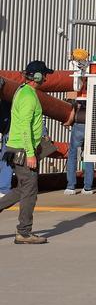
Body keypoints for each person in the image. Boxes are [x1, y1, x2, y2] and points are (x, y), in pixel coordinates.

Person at [0, 60, 52, 244]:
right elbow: (24, 127)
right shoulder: (29, 96)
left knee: (22, 188)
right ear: (37, 76)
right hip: (23, 150)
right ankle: (24, 232)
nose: (46, 77)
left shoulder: (21, 91)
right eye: (44, 74)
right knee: (30, 191)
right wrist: (30, 153)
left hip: (16, 148)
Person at [65, 81, 94, 195]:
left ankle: (70, 186)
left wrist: (68, 122)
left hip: (79, 124)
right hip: (92, 125)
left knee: (72, 154)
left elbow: (74, 109)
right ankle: (87, 187)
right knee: (88, 155)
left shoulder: (80, 91)